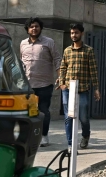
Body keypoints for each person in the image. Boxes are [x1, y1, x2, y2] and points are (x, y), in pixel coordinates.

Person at [58, 23, 100, 149]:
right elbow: (63, 67)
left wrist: (96, 88)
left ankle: (85, 136)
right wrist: (61, 83)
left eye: (76, 33)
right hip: (68, 89)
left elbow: (93, 70)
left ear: (81, 33)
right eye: (71, 33)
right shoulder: (67, 50)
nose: (73, 35)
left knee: (83, 118)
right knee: (68, 117)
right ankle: (71, 144)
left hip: (82, 90)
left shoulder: (88, 51)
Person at [20, 18, 58, 147]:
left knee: (43, 111)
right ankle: (31, 135)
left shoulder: (49, 42)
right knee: (29, 112)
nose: (34, 29)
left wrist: (61, 77)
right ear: (27, 29)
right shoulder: (23, 43)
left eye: (36, 26)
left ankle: (44, 136)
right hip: (28, 85)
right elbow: (21, 62)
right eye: (31, 27)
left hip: (44, 84)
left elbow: (57, 60)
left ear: (40, 28)